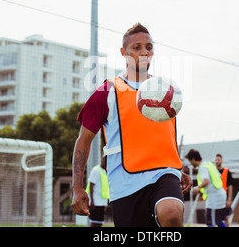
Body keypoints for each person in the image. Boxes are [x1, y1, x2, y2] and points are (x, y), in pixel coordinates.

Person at [71, 23, 192, 227]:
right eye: (137, 48)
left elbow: (162, 138)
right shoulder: (107, 91)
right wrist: (77, 187)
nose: (144, 52)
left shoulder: (166, 91)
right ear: (123, 52)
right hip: (125, 183)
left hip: (164, 174)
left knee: (171, 213)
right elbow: (83, 141)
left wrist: (176, 169)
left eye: (149, 47)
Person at [185, 149, 226, 227]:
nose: (190, 163)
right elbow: (220, 177)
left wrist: (198, 187)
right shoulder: (209, 164)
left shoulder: (202, 168)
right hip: (220, 195)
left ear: (193, 159)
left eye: (190, 161)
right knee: (219, 221)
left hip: (214, 198)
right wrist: (204, 191)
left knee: (209, 222)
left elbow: (206, 181)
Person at [86, 155, 109, 227]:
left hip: (102, 201)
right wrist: (91, 201)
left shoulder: (105, 172)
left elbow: (105, 189)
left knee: (100, 223)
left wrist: (105, 204)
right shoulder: (96, 170)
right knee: (94, 222)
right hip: (95, 201)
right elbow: (91, 186)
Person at [215, 153, 234, 227]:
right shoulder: (213, 172)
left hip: (224, 198)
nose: (217, 161)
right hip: (215, 198)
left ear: (222, 161)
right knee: (216, 217)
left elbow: (230, 186)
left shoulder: (226, 171)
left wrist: (229, 199)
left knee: (225, 217)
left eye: (218, 159)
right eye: (216, 160)